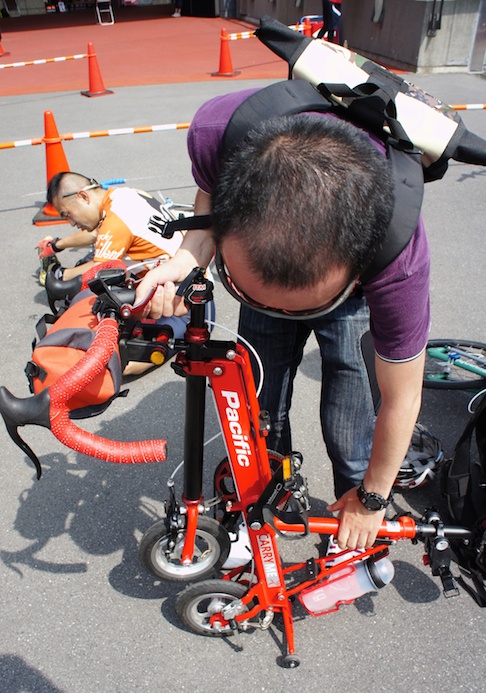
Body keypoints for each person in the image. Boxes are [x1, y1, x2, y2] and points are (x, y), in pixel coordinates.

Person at [134, 87, 430, 551]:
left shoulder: (397, 253)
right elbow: (210, 203)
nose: (282, 313)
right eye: (258, 295)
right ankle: (258, 505)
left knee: (350, 411)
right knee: (257, 400)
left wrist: (373, 498)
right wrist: (187, 257)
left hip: (349, 296)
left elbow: (402, 397)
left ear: (357, 266)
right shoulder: (217, 133)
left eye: (303, 304)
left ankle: (354, 524)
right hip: (277, 230)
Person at [37, 171, 194, 375]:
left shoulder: (116, 220)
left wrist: (61, 276)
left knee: (109, 364)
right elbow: (96, 234)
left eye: (67, 215)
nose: (71, 224)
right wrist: (58, 245)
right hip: (179, 284)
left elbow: (97, 268)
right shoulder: (124, 196)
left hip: (180, 307)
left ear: (83, 196)